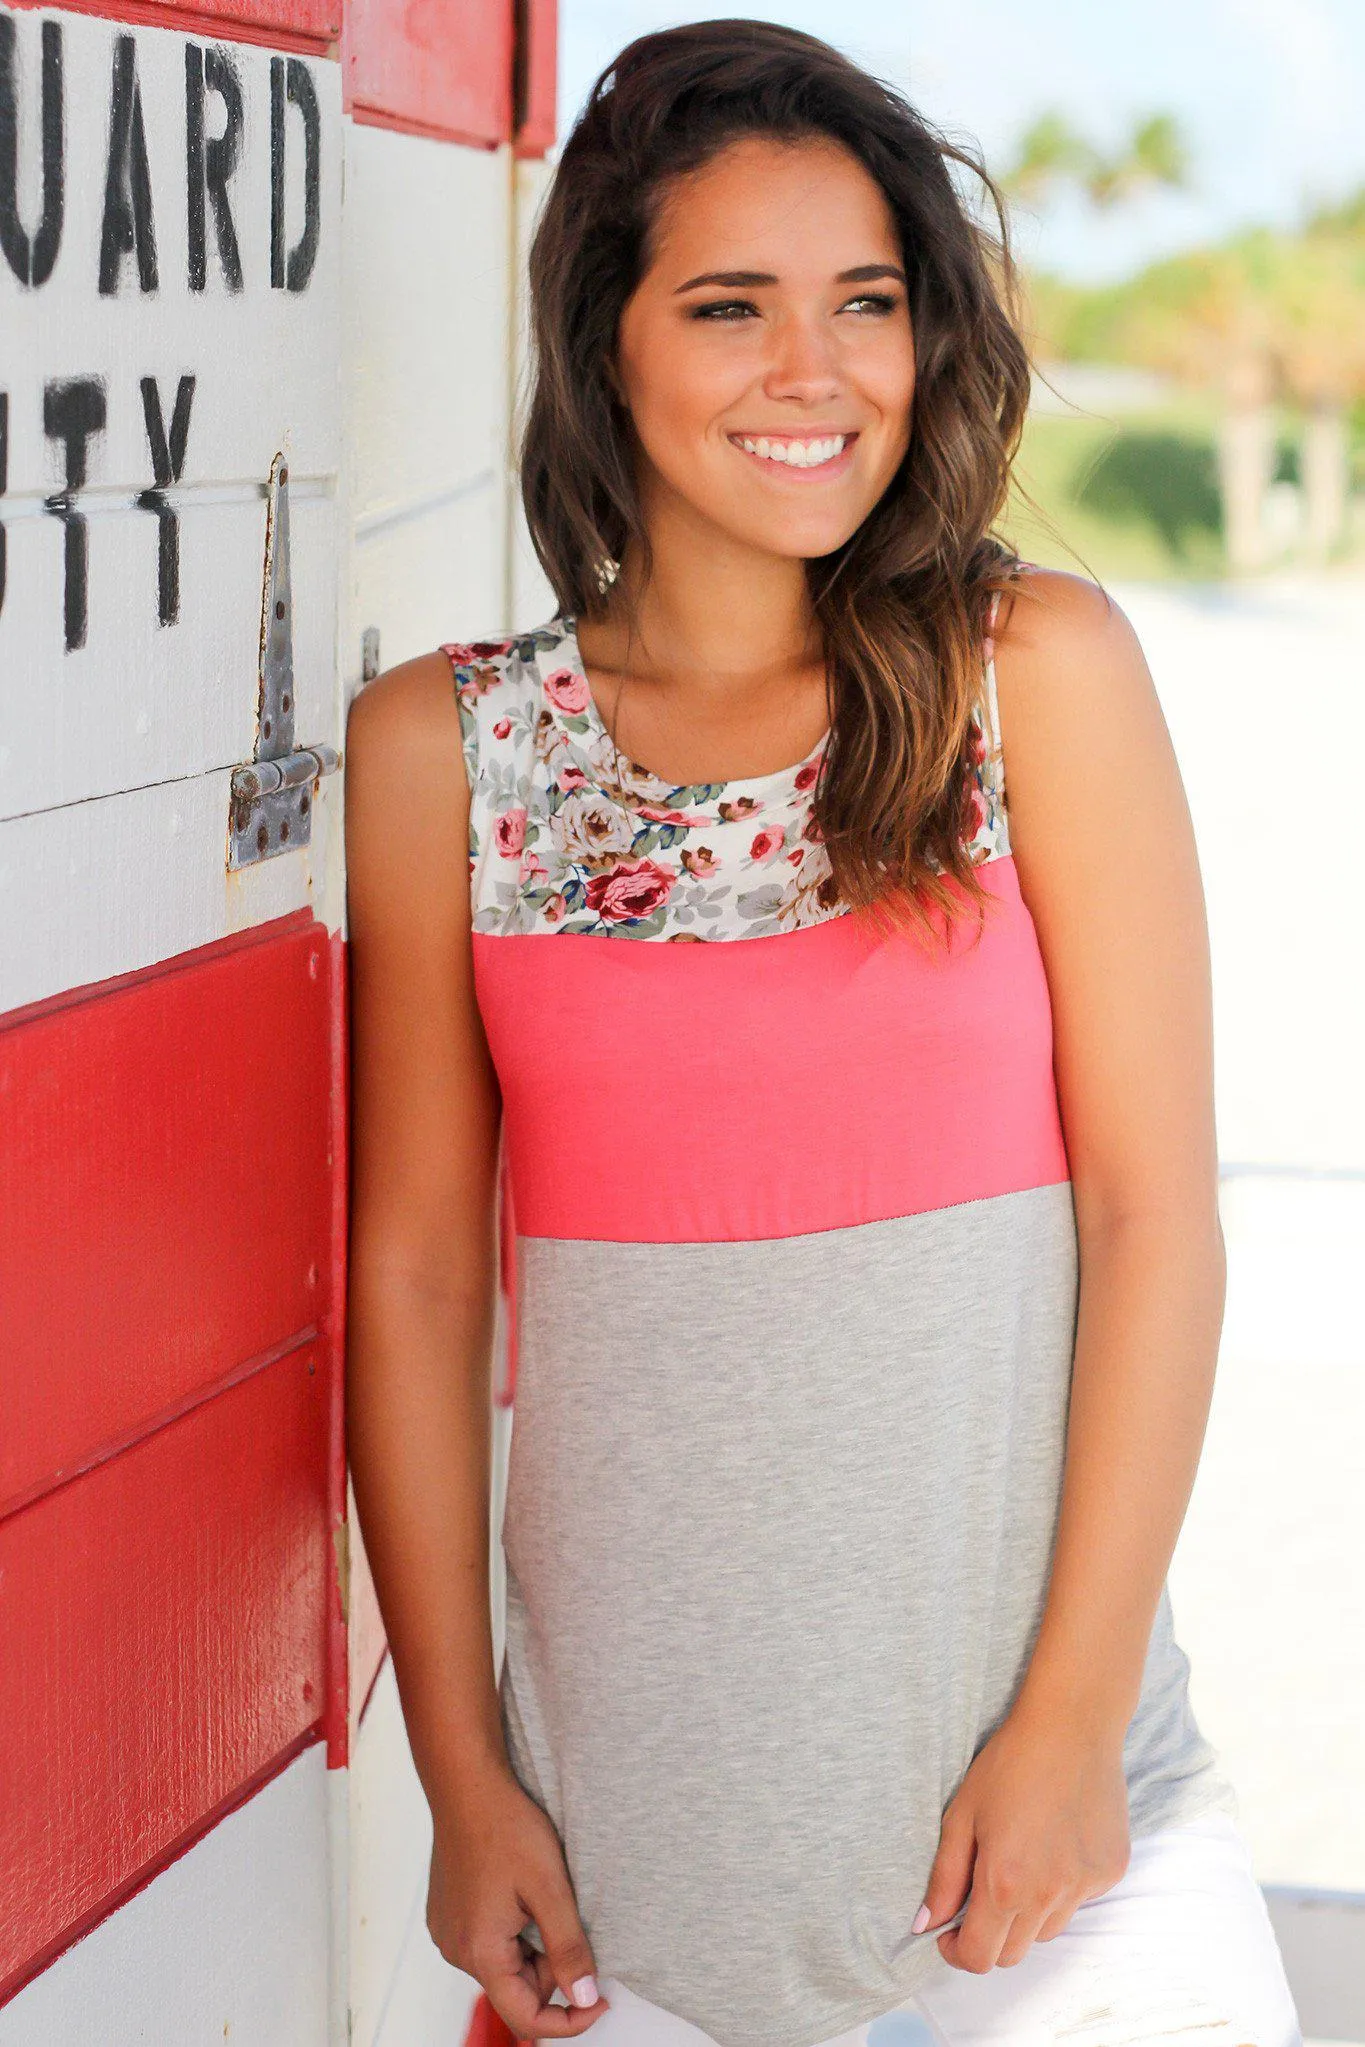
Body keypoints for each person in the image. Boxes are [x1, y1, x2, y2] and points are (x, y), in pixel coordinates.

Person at [342, 20, 1303, 2047]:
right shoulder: (450, 754)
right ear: (603, 337)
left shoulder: (1028, 676)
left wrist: (1061, 1730)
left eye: (867, 304)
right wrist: (460, 1778)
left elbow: (1154, 1219)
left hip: (1060, 1861)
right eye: (730, 307)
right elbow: (419, 1279)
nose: (818, 372)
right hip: (629, 1912)